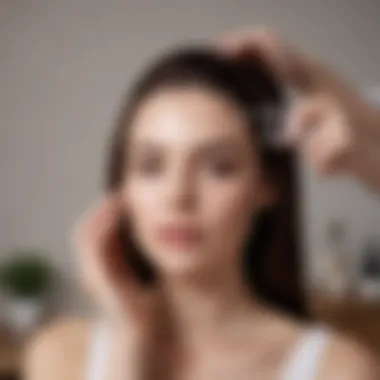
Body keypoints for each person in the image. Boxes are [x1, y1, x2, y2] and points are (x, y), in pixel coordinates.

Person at [25, 28, 380, 380]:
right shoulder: (61, 356)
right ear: (123, 189)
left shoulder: (338, 369)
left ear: (267, 186)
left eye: (218, 167)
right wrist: (127, 343)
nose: (179, 196)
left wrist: (316, 79)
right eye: (151, 166)